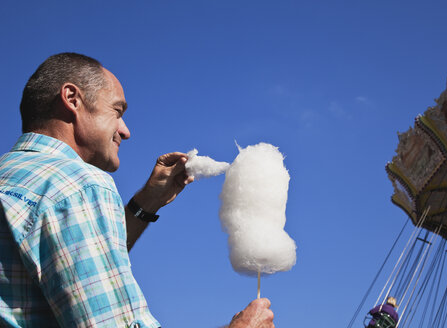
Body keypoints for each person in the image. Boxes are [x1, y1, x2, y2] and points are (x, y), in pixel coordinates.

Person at [0, 53, 274, 328]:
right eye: (117, 112)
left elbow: (66, 264)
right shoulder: (79, 185)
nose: (126, 130)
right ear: (72, 99)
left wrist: (146, 204)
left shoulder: (12, 176)